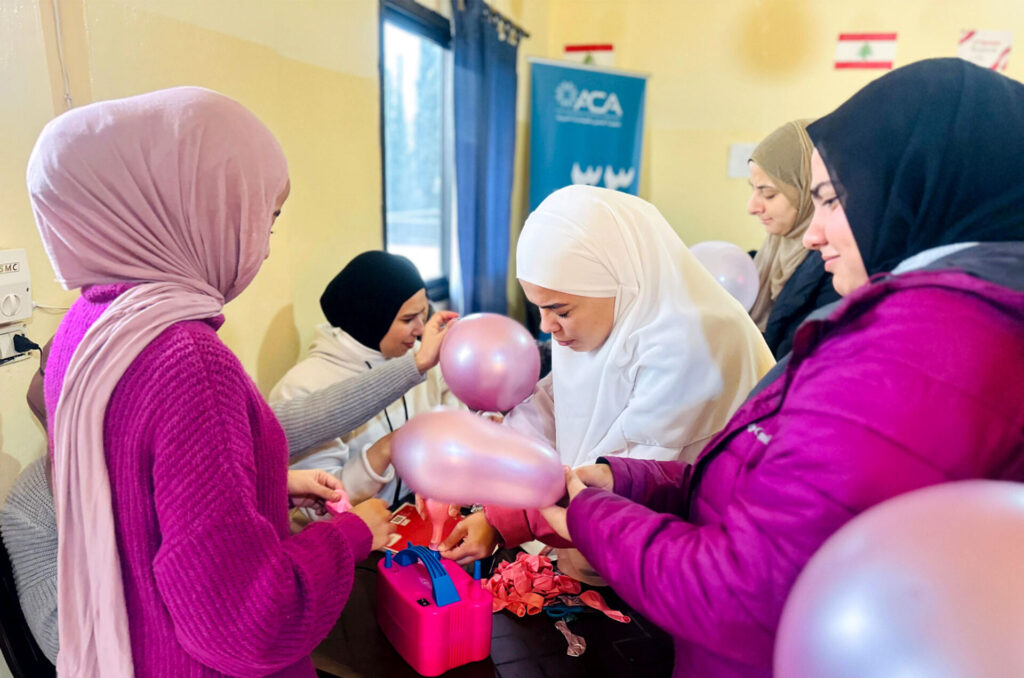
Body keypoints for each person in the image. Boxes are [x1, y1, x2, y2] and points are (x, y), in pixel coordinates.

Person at [542, 59, 1024, 678]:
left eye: (832, 199)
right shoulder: (928, 321)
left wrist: (592, 515)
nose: (815, 232)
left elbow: (739, 593)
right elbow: (776, 485)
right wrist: (630, 482)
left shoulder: (919, 348)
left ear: (923, 185)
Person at [28, 87, 397, 677]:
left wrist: (262, 486)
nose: (267, 246)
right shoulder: (187, 361)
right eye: (263, 218)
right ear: (191, 207)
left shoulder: (88, 328)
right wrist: (355, 534)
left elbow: (138, 500)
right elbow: (249, 620)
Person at [441, 185, 775, 566]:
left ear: (621, 280)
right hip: (608, 536)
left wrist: (502, 521)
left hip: (691, 556)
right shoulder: (614, 314)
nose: (547, 326)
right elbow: (555, 405)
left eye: (561, 311)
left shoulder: (692, 341)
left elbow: (627, 472)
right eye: (539, 309)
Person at [270, 251, 462, 507]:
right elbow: (317, 510)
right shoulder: (302, 387)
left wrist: (474, 420)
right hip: (358, 536)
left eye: (423, 314)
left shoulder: (419, 354)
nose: (419, 330)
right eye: (407, 319)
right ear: (372, 320)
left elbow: (451, 400)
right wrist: (384, 450)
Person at [746, 119, 839, 357]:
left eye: (768, 193)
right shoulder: (769, 255)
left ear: (807, 192)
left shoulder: (835, 272)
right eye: (753, 189)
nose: (752, 206)